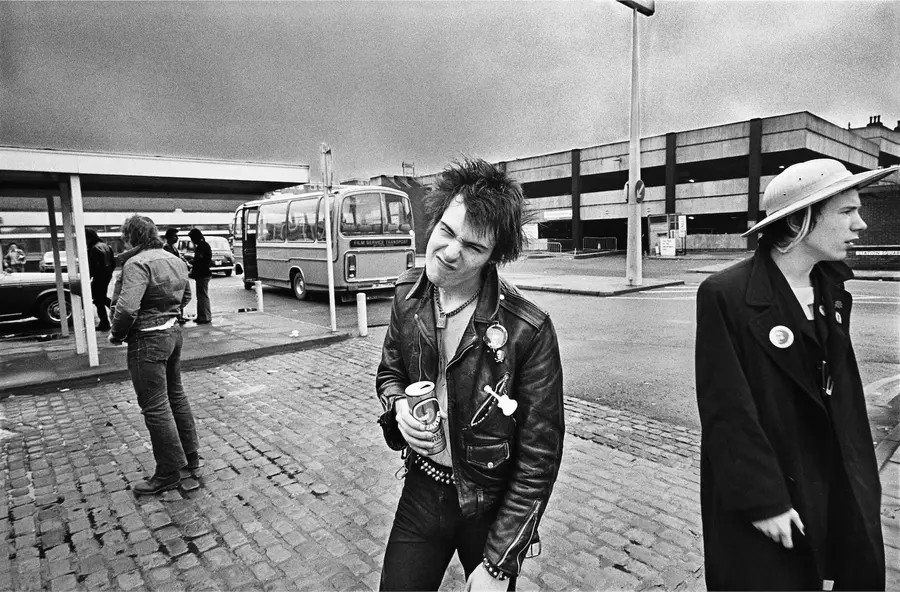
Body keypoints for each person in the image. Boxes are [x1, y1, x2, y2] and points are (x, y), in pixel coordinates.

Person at [695, 158, 898, 590]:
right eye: (847, 212)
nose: (860, 225)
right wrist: (762, 500)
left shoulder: (832, 287)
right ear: (801, 220)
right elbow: (726, 408)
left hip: (832, 476)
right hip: (773, 485)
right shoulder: (726, 294)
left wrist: (860, 484)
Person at [376, 158, 565, 591]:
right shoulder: (408, 294)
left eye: (472, 247)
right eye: (446, 231)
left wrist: (500, 563)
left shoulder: (527, 329)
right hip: (422, 490)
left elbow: (539, 459)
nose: (449, 251)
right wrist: (400, 404)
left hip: (489, 505)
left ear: (494, 256)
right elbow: (390, 372)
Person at [109, 215, 202, 495]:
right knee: (176, 396)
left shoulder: (137, 263)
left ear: (131, 237)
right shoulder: (174, 258)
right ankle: (191, 460)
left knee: (155, 405)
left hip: (147, 339)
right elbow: (186, 297)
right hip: (173, 334)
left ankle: (168, 472)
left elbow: (126, 309)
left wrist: (117, 333)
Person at [85, 229, 115, 332]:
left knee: (98, 300)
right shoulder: (105, 246)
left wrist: (88, 277)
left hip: (99, 277)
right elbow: (113, 262)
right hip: (106, 275)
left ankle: (105, 322)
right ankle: (116, 310)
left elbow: (92, 266)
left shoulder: (94, 249)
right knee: (101, 298)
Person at [162, 228, 188, 324]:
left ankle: (179, 315)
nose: (176, 238)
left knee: (181, 296)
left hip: (177, 275)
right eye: (174, 236)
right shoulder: (166, 248)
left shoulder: (173, 247)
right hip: (172, 276)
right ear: (169, 237)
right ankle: (177, 316)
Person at [187, 228, 212, 324]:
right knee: (202, 295)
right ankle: (203, 316)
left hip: (202, 274)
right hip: (205, 273)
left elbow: (199, 261)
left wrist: (193, 268)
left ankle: (204, 317)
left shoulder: (201, 247)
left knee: (202, 296)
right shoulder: (204, 245)